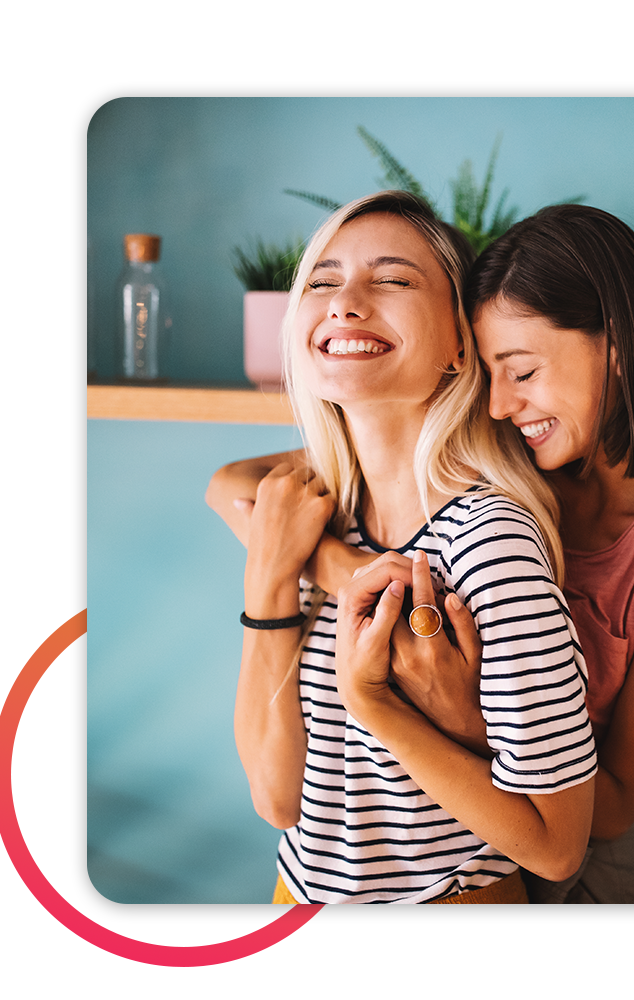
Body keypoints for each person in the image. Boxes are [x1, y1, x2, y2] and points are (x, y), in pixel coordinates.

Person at [213, 202, 634, 904]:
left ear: (616, 349)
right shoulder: (527, 453)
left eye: (523, 371)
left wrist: (453, 709)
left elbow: (609, 806)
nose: (498, 404)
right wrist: (353, 583)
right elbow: (233, 485)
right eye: (489, 368)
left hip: (587, 861)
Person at [207, 191, 596, 904]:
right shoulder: (316, 513)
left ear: (460, 341)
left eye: (392, 279)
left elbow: (557, 847)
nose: (345, 302)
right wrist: (273, 577)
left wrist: (370, 693)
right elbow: (277, 800)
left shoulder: (491, 544)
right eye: (321, 281)